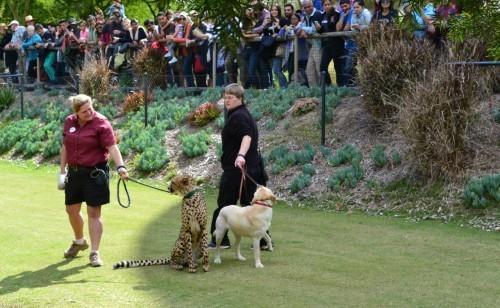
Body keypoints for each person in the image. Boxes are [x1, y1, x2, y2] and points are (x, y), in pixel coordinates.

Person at [58, 94, 129, 267]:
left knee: (94, 213)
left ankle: (95, 252)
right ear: (76, 113)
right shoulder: (69, 122)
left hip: (95, 174)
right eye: (84, 111)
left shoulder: (101, 123)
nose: (89, 112)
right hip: (74, 174)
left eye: (90, 108)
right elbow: (65, 147)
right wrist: (62, 172)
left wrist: (121, 167)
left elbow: (112, 147)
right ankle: (80, 241)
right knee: (71, 210)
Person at [209, 83, 269, 250]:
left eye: (230, 98)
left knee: (225, 205)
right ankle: (263, 240)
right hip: (248, 168)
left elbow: (247, 137)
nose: (226, 100)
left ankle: (219, 240)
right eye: (225, 97)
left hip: (239, 169)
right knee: (251, 206)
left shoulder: (238, 117)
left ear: (240, 99)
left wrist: (240, 155)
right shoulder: (239, 114)